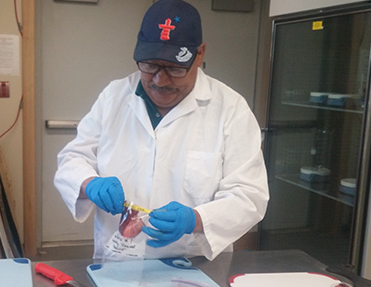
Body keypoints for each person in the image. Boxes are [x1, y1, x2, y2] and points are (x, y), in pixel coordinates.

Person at [54, 0, 269, 261]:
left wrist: (197, 219)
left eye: (175, 69)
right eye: (150, 65)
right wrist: (89, 184)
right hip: (118, 259)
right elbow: (72, 159)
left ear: (199, 54)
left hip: (194, 265)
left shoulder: (230, 109)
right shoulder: (114, 97)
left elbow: (249, 195)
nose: (160, 80)